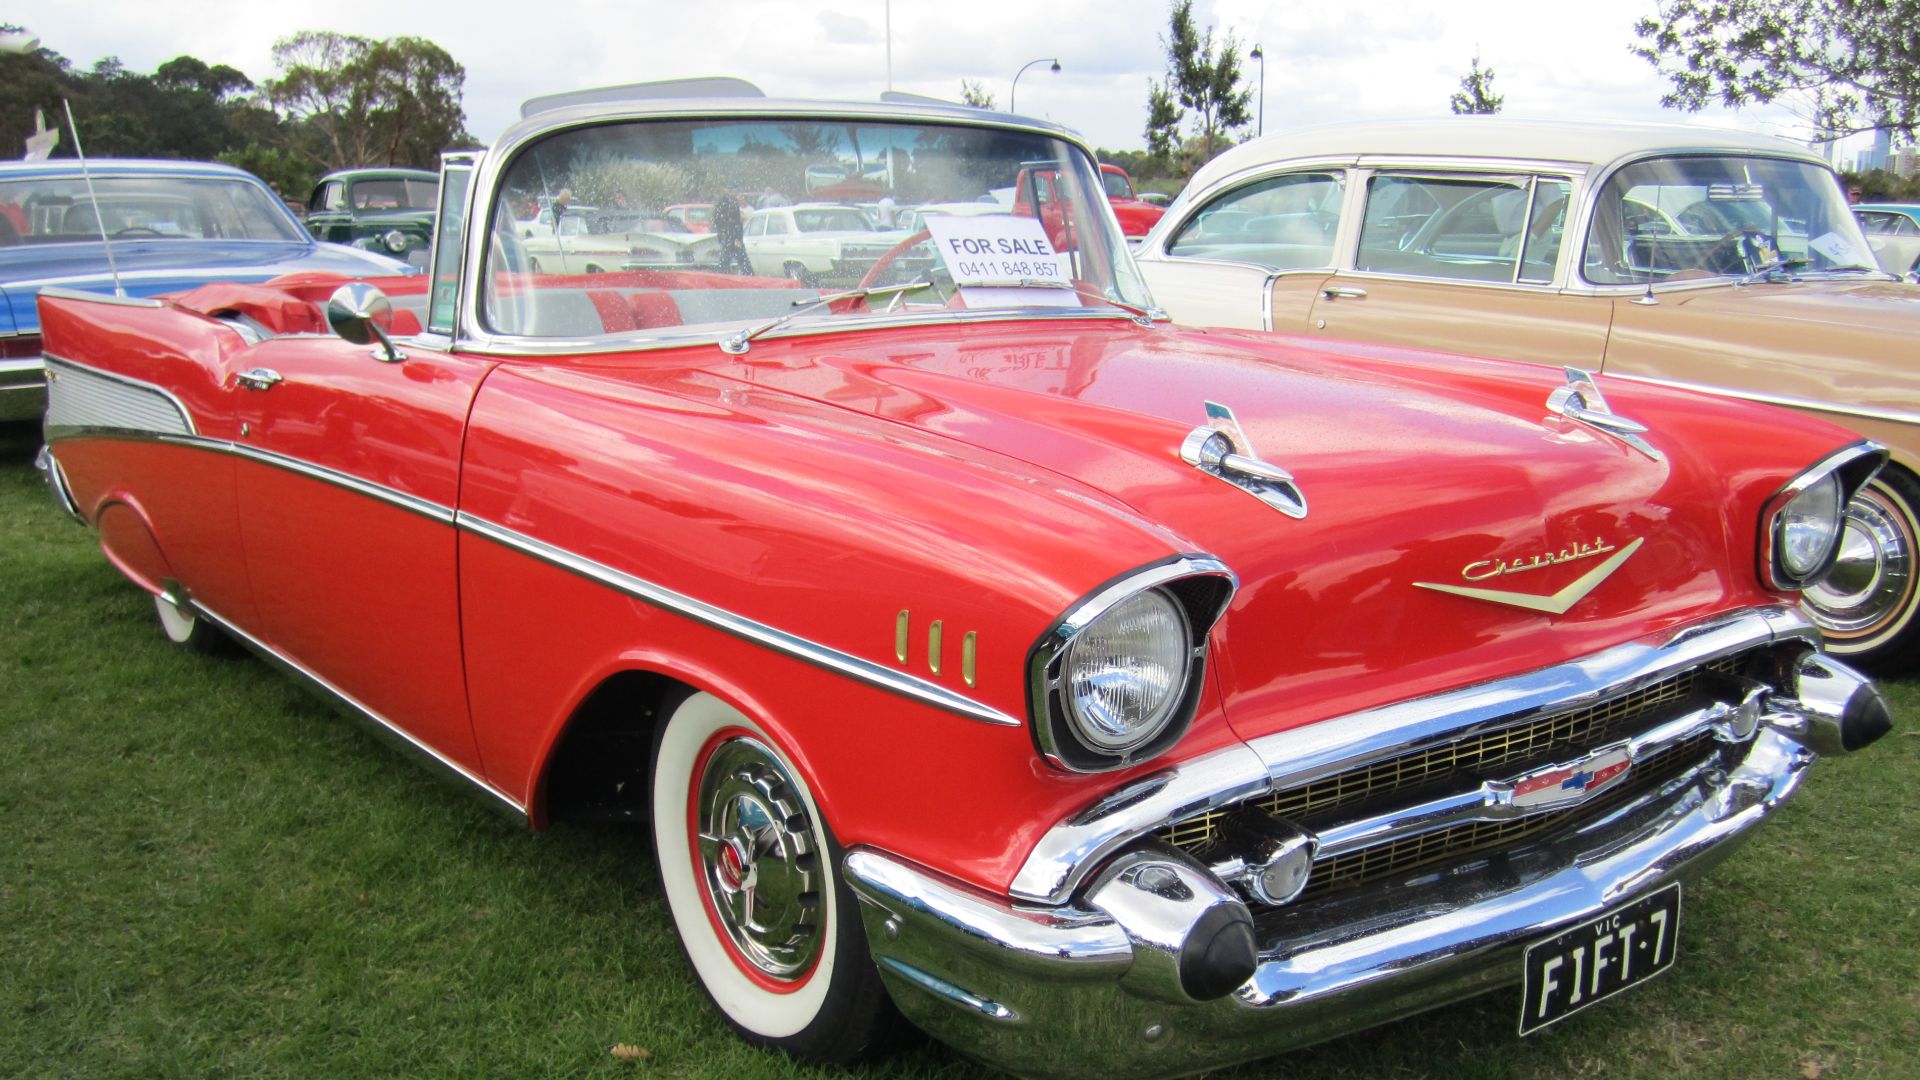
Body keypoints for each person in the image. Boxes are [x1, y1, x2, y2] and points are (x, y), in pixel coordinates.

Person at [712, 191, 750, 275]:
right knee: (742, 260)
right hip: (732, 237)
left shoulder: (721, 206)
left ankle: (722, 275)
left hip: (727, 237)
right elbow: (736, 223)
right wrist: (737, 237)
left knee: (726, 260)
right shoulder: (732, 206)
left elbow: (718, 223)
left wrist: (723, 235)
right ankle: (748, 276)